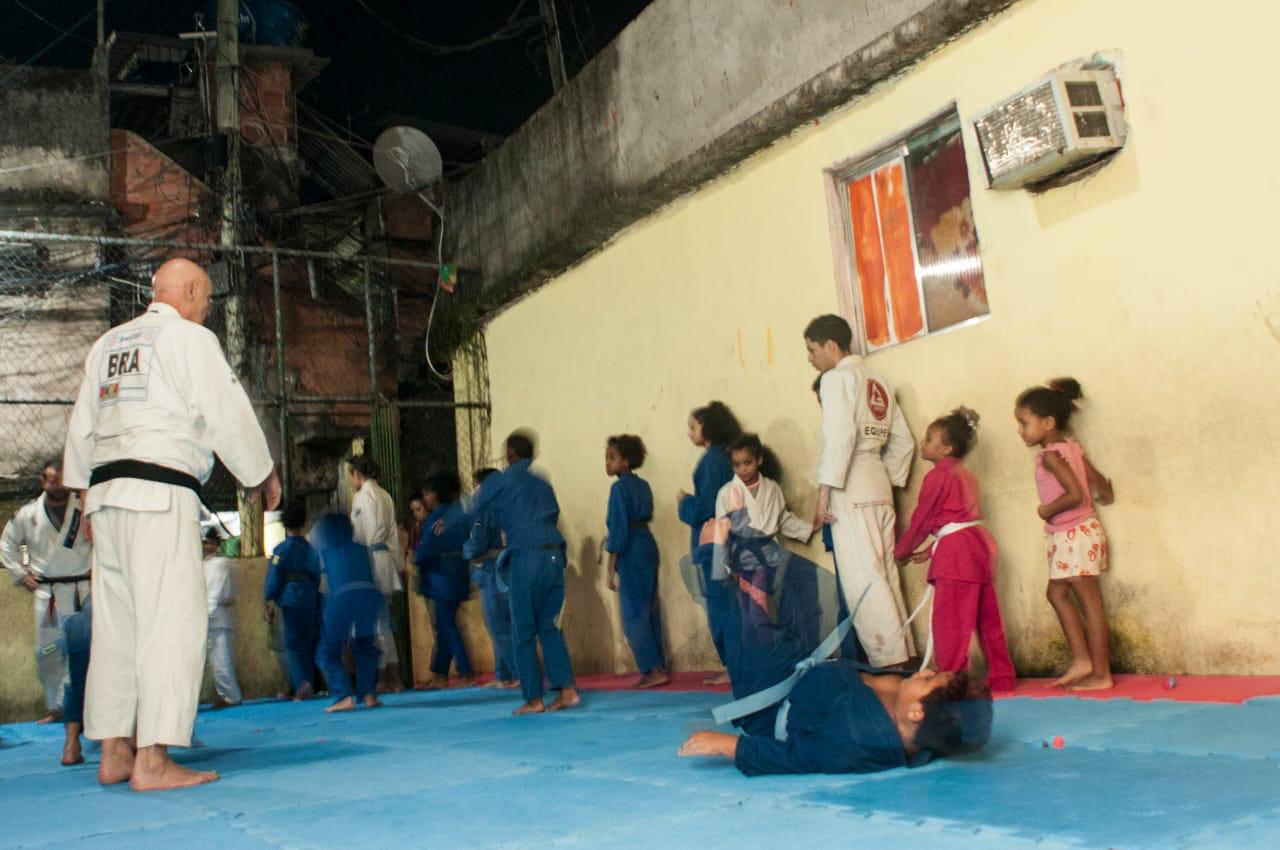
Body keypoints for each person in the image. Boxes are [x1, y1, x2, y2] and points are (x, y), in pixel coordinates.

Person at [62, 257, 280, 791]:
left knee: (118, 629)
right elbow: (225, 409)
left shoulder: (108, 344)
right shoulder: (188, 340)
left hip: (107, 497)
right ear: (185, 291)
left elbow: (82, 428)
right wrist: (261, 471)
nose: (205, 311)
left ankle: (114, 750)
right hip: (159, 493)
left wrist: (84, 494)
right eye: (204, 300)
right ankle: (153, 760)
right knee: (171, 622)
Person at [679, 566, 992, 776]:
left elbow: (797, 758)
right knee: (786, 602)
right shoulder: (926, 730)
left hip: (770, 697)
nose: (926, 671)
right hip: (812, 669)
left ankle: (712, 558)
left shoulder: (855, 743)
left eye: (931, 679)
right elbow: (957, 725)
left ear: (916, 713)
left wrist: (729, 745)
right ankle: (756, 607)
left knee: (731, 615)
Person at [804, 314, 916, 668]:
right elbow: (904, 442)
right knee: (885, 575)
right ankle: (905, 654)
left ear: (830, 346)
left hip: (849, 486)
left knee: (862, 580)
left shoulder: (835, 379)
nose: (810, 359)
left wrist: (824, 493)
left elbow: (839, 437)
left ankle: (889, 661)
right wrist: (892, 482)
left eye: (812, 350)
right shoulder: (878, 379)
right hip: (878, 483)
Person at [893, 408, 1016, 691]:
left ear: (946, 448)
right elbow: (959, 519)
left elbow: (922, 520)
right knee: (988, 619)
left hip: (957, 555)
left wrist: (901, 551)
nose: (923, 443)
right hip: (979, 547)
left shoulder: (937, 476)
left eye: (929, 439)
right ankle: (1003, 678)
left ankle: (950, 681)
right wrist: (933, 549)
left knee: (951, 623)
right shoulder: (966, 475)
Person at [464, 431, 580, 714]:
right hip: (554, 555)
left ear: (510, 454)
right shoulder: (542, 483)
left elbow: (472, 510)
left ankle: (534, 698)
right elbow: (552, 517)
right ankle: (567, 691)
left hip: (526, 557)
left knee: (523, 630)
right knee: (549, 627)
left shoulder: (500, 481)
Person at [1015, 378, 1115, 691]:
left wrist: (1045, 510)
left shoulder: (1050, 457)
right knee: (1056, 593)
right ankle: (1082, 660)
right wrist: (1105, 491)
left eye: (1024, 423)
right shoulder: (1070, 447)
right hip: (1074, 535)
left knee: (1091, 604)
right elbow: (1094, 479)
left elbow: (1074, 494)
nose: (1020, 430)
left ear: (1048, 423)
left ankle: (1101, 674)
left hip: (1073, 534)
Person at [1, 457, 91, 725]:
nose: (59, 486)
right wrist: (23, 571)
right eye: (53, 481)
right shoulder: (28, 515)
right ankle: (57, 707)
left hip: (80, 589)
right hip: (47, 592)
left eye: (63, 481)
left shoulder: (83, 510)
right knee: (49, 652)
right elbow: (17, 546)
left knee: (83, 650)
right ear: (43, 482)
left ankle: (82, 708)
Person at [713, 434, 815, 637]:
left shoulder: (772, 488)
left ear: (759, 459)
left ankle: (774, 654)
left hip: (770, 558)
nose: (743, 469)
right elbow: (720, 532)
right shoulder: (726, 493)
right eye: (737, 464)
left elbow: (782, 520)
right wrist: (721, 569)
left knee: (770, 610)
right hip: (742, 560)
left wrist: (809, 528)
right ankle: (758, 657)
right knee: (750, 612)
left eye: (748, 463)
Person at [676, 401, 740, 685]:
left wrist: (684, 502)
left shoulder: (713, 461)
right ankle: (734, 664)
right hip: (724, 542)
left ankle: (734, 666)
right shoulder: (722, 457)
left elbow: (707, 508)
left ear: (708, 427)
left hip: (715, 545)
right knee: (724, 603)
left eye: (694, 426)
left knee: (720, 605)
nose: (690, 432)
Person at [604, 435, 668, 689]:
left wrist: (611, 566)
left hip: (630, 547)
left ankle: (652, 669)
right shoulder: (643, 486)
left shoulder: (618, 489)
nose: (607, 463)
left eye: (612, 458)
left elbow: (618, 530)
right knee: (649, 609)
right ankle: (658, 665)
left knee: (633, 614)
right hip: (647, 544)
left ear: (627, 460)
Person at [312, 511, 385, 712]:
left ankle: (343, 695)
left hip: (341, 599)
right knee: (365, 646)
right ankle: (369, 694)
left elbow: (325, 583)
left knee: (327, 651)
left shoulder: (325, 552)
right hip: (368, 597)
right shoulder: (362, 549)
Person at [414, 472, 475, 689]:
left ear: (436, 494)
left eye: (427, 494)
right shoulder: (459, 513)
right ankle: (440, 674)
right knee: (445, 624)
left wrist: (416, 556)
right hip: (457, 572)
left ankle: (465, 670)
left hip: (441, 576)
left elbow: (427, 547)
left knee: (447, 626)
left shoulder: (437, 517)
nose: (425, 499)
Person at [348, 456, 404, 692]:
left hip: (370, 560)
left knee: (373, 624)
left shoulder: (362, 498)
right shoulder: (386, 496)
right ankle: (395, 678)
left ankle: (381, 678)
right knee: (383, 622)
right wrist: (398, 566)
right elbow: (392, 534)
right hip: (385, 559)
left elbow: (361, 534)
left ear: (357, 475)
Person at [464, 468, 518, 689]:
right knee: (507, 624)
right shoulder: (510, 504)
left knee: (498, 625)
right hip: (510, 567)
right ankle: (504, 674)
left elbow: (476, 544)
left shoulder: (484, 509)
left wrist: (465, 549)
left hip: (491, 569)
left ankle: (517, 673)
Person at [264, 500, 321, 699]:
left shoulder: (282, 550)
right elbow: (316, 575)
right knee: (307, 642)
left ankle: (301, 685)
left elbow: (275, 577)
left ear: (285, 524)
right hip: (309, 599)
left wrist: (269, 598)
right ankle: (306, 683)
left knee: (292, 644)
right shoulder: (311, 549)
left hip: (290, 599)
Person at [202, 528, 242, 708]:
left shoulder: (222, 564)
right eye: (204, 543)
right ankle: (225, 695)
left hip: (217, 616)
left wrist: (208, 612)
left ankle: (231, 697)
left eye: (210, 543)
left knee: (221, 660)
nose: (207, 546)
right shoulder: (198, 564)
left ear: (217, 545)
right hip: (203, 617)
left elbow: (218, 592)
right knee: (213, 662)